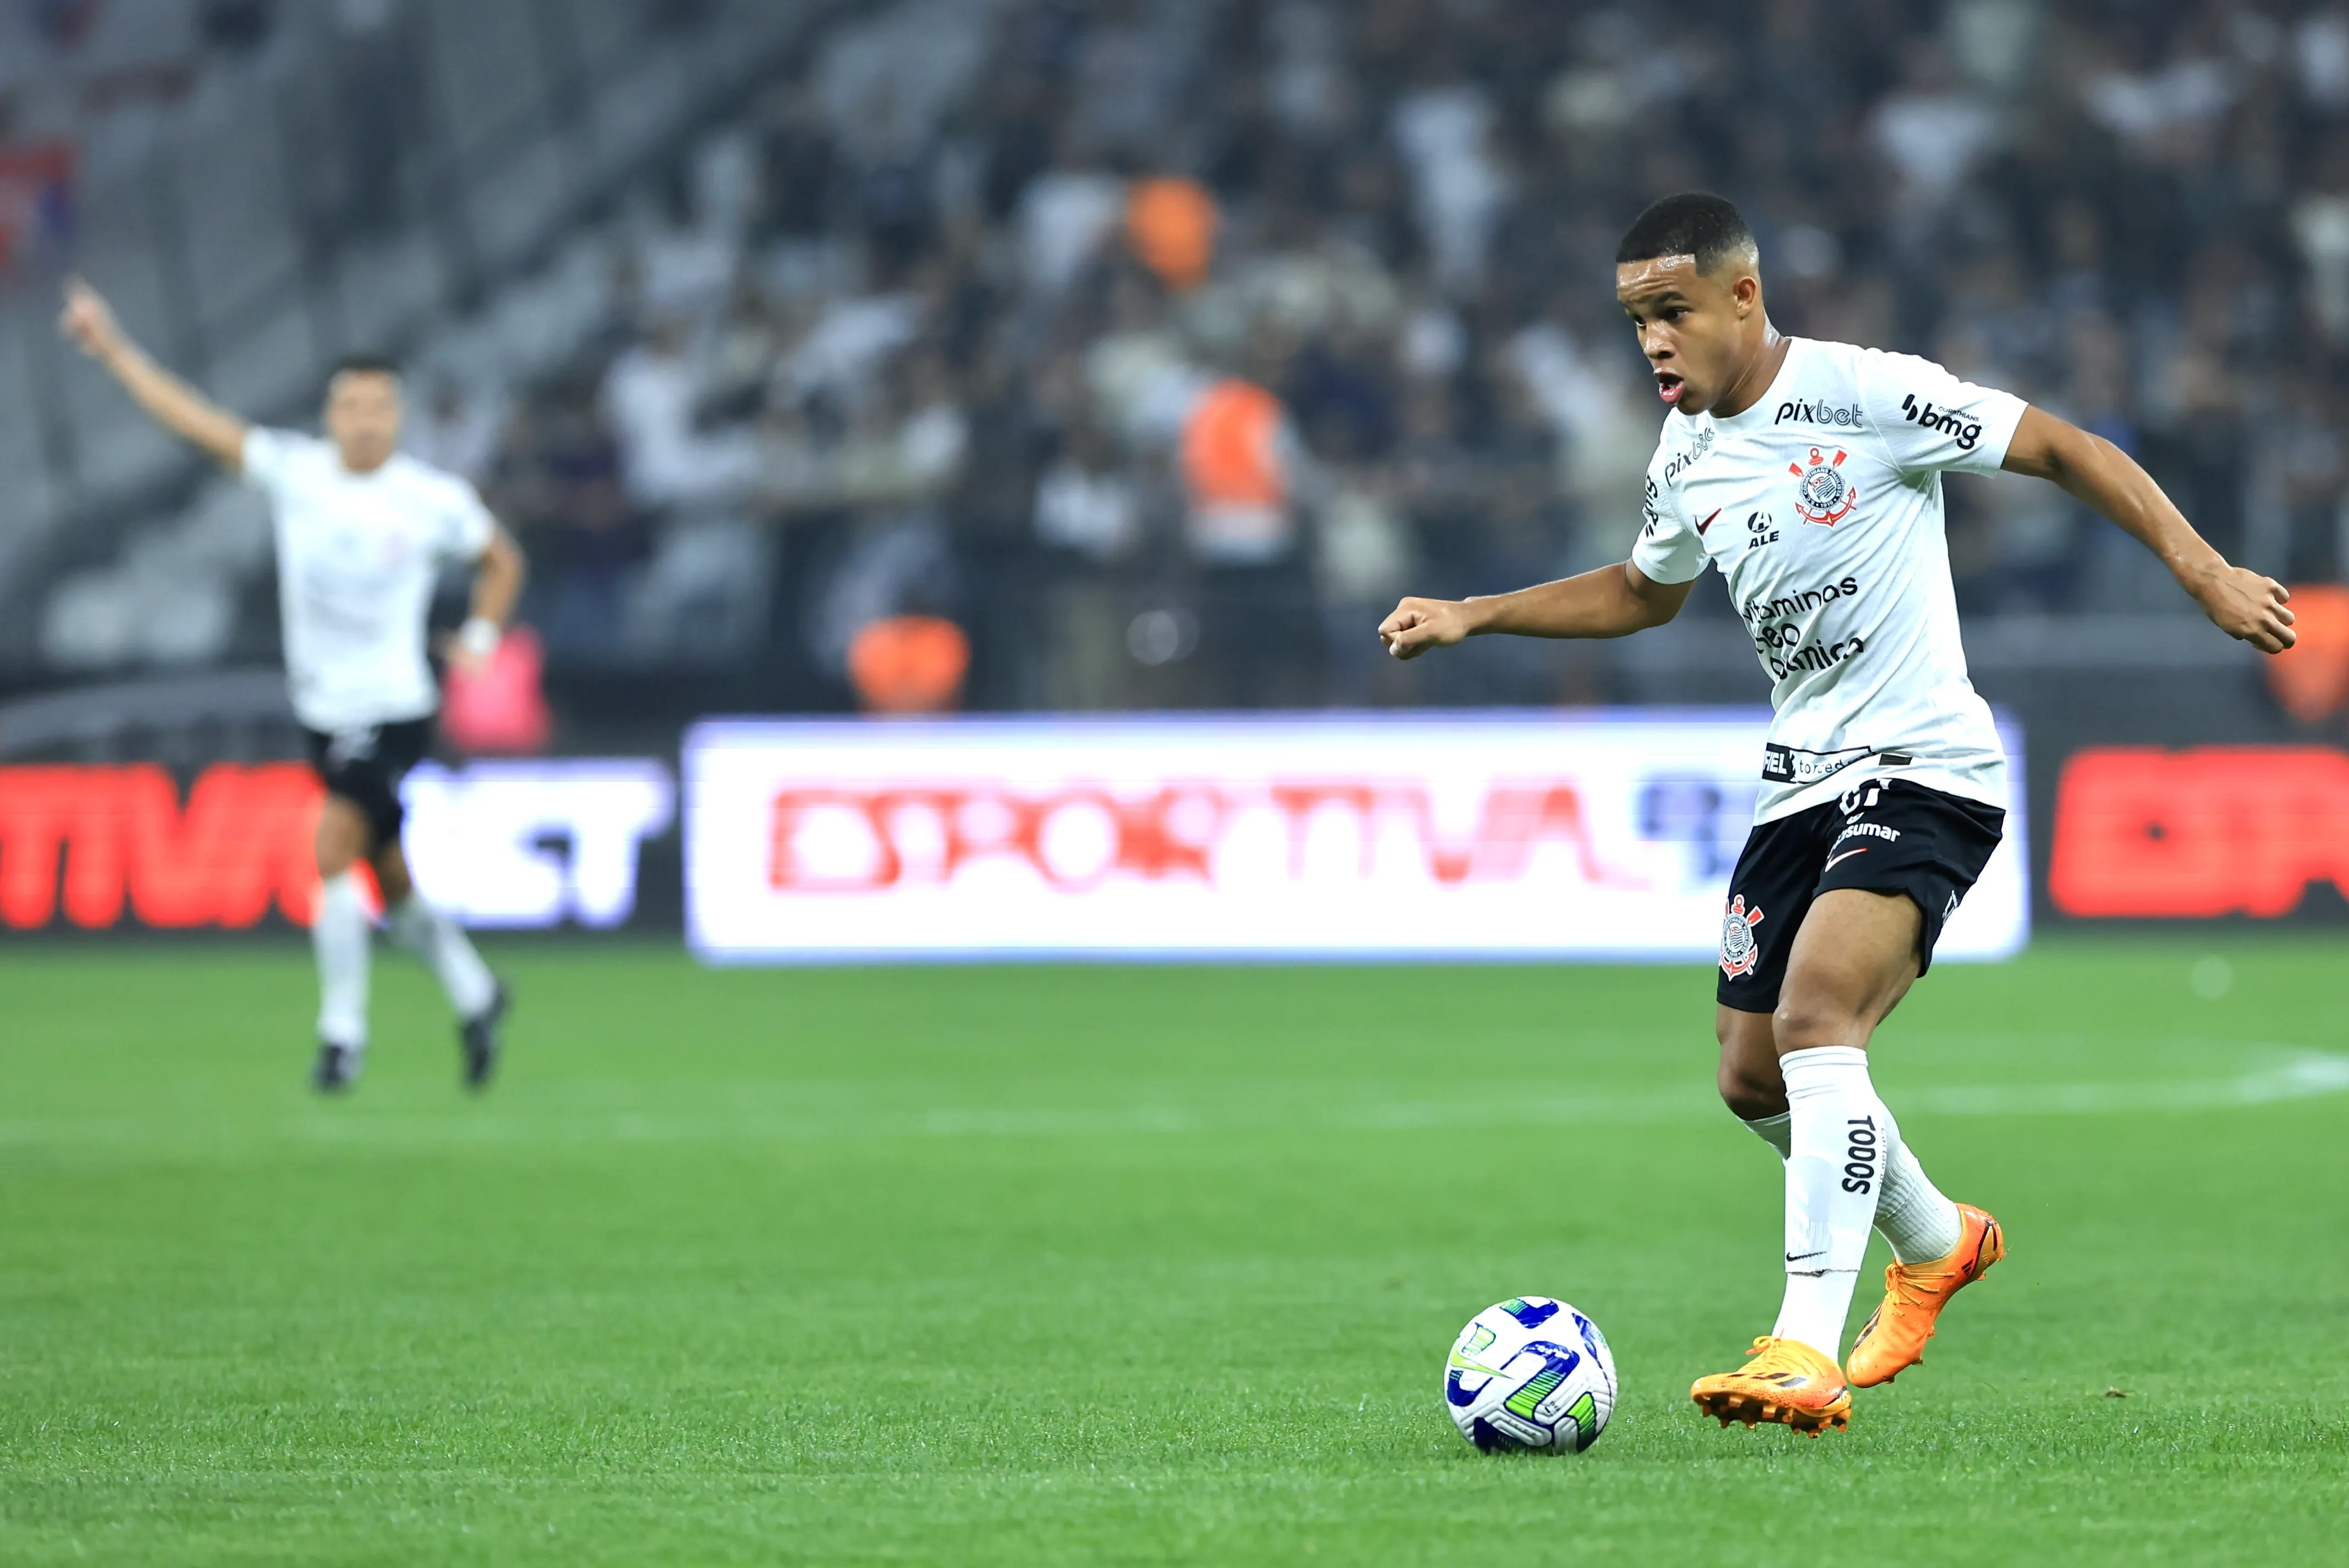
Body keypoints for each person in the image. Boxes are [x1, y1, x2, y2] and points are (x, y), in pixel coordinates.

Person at [1378, 194, 2295, 1436]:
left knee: (1819, 1016)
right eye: (1635, 320)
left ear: (1744, 298)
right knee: (1751, 1075)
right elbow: (1644, 594)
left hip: (1925, 765)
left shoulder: (1864, 393)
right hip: (1799, 781)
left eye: (1671, 312)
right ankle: (1936, 1238)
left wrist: (2205, 571)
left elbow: (2066, 447)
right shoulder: (1687, 454)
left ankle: (1803, 1342)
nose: (1651, 342)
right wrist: (1479, 610)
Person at [60, 278, 529, 1095]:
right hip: (323, 709)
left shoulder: (429, 500)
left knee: (332, 845)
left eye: (380, 406)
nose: (366, 420)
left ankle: (340, 1036)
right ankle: (477, 993)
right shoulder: (297, 474)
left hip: (395, 707)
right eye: (351, 405)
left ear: (399, 415)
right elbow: (195, 422)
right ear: (330, 414)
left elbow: (503, 560)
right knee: (387, 875)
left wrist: (483, 638)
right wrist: (115, 352)